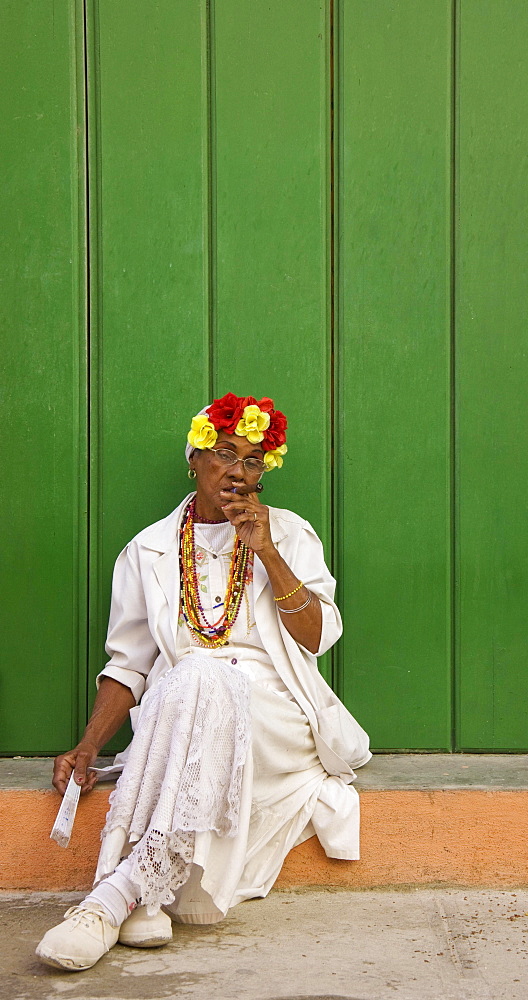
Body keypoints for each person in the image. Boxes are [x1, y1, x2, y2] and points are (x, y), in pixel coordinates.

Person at [36, 393, 370, 971]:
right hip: (179, 708)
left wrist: (266, 553)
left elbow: (318, 637)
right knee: (192, 676)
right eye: (225, 454)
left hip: (273, 716)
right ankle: (144, 900)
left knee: (200, 676)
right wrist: (89, 745)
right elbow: (130, 665)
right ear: (194, 460)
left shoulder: (288, 534)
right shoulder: (149, 549)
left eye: (253, 461)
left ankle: (107, 899)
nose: (238, 472)